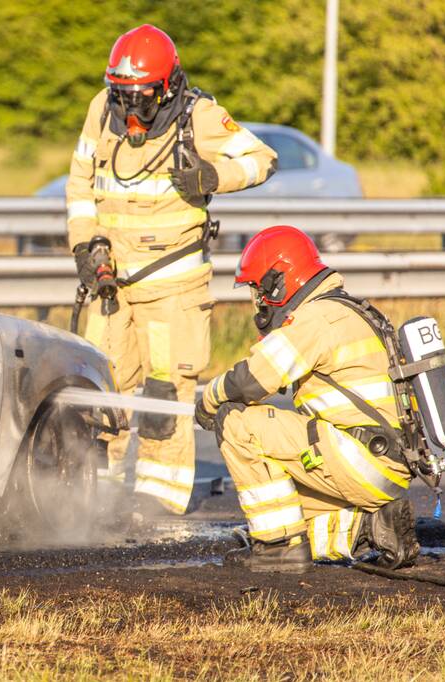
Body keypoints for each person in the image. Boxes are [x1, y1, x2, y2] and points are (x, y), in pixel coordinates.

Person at [65, 24, 277, 513]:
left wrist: (213, 175)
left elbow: (262, 160)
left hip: (173, 284)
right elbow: (80, 185)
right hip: (112, 281)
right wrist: (86, 246)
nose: (129, 112)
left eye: (140, 100)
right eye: (123, 96)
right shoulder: (102, 109)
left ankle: (158, 497)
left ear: (166, 89)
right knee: (102, 384)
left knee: (164, 389)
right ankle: (96, 490)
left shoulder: (198, 117)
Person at [195, 225, 420, 572]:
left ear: (278, 282)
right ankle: (372, 527)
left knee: (236, 420)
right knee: (286, 511)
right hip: (381, 466)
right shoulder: (344, 309)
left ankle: (277, 549)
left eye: (259, 290)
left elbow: (252, 379)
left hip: (360, 457)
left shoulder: (316, 319)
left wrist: (208, 399)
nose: (258, 302)